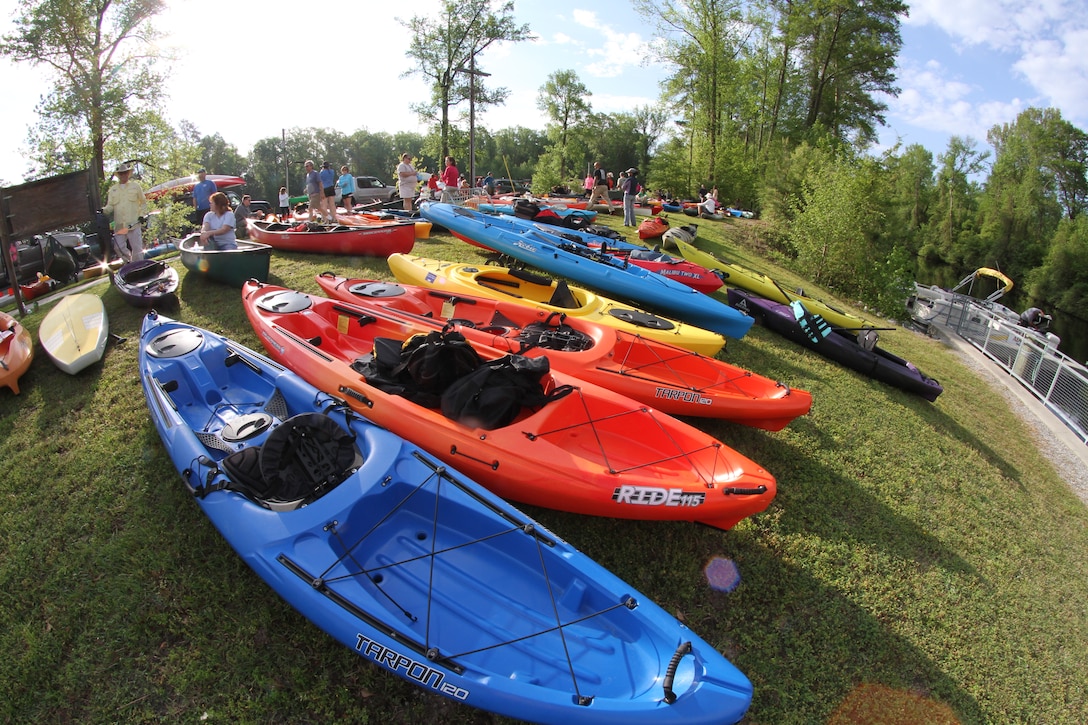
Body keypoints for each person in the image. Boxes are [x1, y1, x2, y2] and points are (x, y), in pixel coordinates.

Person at [102, 161, 147, 262]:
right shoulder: (113, 190)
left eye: (125, 173)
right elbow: (110, 206)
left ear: (128, 174)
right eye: (121, 174)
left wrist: (142, 215)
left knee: (137, 248)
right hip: (120, 225)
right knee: (118, 247)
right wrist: (103, 211)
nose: (123, 175)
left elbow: (143, 202)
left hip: (133, 223)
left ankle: (139, 266)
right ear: (118, 175)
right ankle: (129, 263)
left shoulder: (135, 186)